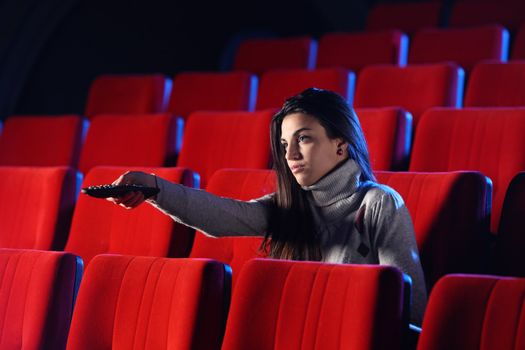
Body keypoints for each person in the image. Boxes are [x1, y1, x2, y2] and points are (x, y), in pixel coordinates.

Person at [109, 88, 427, 325]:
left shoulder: (379, 202)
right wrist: (153, 187)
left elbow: (410, 312)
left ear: (341, 145)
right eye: (286, 145)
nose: (290, 156)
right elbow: (222, 217)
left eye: (304, 139)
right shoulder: (289, 206)